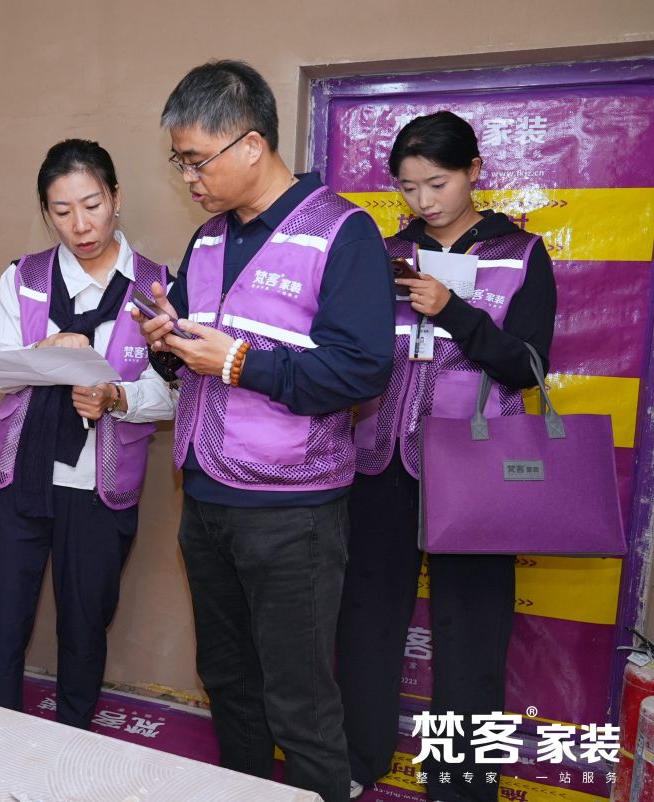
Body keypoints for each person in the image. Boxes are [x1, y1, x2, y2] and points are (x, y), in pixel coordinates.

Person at [135, 61, 395, 802]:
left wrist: (240, 362)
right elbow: (194, 354)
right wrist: (166, 341)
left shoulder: (342, 233)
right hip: (207, 498)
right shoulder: (207, 240)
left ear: (251, 145)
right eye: (179, 163)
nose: (188, 178)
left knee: (299, 702)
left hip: (293, 514)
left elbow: (361, 371)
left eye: (196, 160)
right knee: (227, 680)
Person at [336, 111, 556, 802]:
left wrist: (454, 311)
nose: (423, 201)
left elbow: (527, 367)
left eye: (437, 183)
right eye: (408, 187)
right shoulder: (385, 252)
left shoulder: (521, 253)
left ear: (473, 172)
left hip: (475, 468)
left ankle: (461, 786)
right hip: (381, 461)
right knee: (366, 622)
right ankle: (358, 760)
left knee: (472, 634)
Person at [0, 139, 177, 729]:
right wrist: (46, 349)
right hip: (17, 477)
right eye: (62, 211)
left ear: (116, 197)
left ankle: (72, 745)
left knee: (85, 627)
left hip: (99, 487)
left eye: (92, 206)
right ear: (46, 212)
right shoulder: (23, 278)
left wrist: (118, 397)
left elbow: (177, 393)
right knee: (0, 623)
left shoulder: (156, 287)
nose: (80, 226)